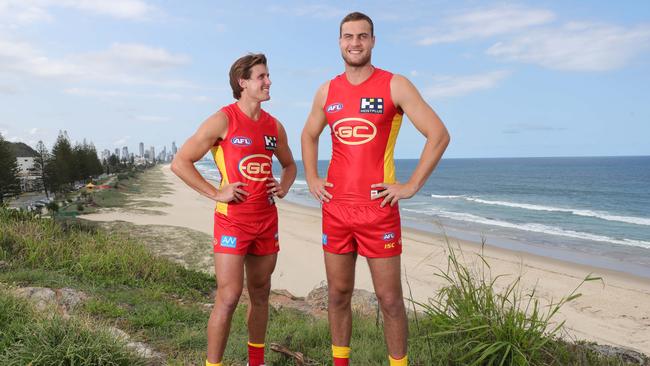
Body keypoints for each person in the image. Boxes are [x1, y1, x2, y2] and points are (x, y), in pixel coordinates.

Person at [301, 12, 450, 366]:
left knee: (390, 299)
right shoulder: (327, 90)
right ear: (339, 42)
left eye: (362, 36)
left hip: (378, 210)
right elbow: (309, 134)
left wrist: (411, 185)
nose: (355, 43)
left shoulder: (394, 85)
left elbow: (439, 134)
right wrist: (312, 178)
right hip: (336, 209)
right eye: (348, 36)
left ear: (373, 41)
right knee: (338, 295)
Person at [172, 53, 296, 366]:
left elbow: (290, 164)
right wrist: (216, 192)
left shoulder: (274, 126)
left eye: (268, 76)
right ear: (242, 82)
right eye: (261, 77)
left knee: (261, 293)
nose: (268, 82)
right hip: (232, 224)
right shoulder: (223, 119)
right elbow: (180, 162)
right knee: (228, 298)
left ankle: (256, 361)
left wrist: (283, 186)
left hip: (266, 221)